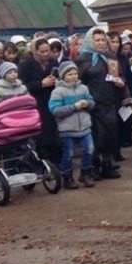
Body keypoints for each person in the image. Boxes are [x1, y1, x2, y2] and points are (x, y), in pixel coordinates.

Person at [76, 29, 129, 180]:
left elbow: (120, 76)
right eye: (97, 40)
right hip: (92, 103)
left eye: (102, 40)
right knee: (96, 136)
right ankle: (91, 167)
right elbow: (76, 81)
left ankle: (107, 165)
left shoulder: (110, 56)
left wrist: (121, 82)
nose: (100, 43)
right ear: (90, 41)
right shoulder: (82, 59)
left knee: (110, 135)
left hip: (110, 101)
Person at [48, 61, 96, 189]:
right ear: (63, 76)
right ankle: (67, 177)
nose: (73, 76)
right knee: (68, 154)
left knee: (89, 149)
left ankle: (86, 173)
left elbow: (92, 102)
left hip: (85, 126)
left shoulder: (83, 88)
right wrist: (74, 107)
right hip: (67, 128)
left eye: (75, 73)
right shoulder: (58, 92)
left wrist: (88, 103)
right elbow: (55, 110)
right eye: (69, 74)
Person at [18, 37, 62, 165]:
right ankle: (40, 163)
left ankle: (55, 164)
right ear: (35, 51)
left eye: (47, 51)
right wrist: (40, 84)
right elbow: (22, 86)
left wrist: (57, 81)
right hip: (36, 103)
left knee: (54, 134)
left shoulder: (53, 62)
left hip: (53, 100)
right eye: (42, 51)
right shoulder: (25, 65)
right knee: (40, 135)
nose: (45, 54)